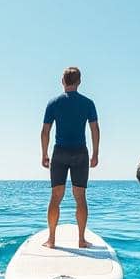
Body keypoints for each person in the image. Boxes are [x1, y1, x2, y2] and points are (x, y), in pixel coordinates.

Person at [40, 66, 99, 248]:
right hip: (81, 152)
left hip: (60, 153)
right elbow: (95, 129)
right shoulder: (88, 103)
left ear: (62, 81)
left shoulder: (54, 103)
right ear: (79, 81)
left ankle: (51, 240)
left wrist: (44, 153)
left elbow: (45, 131)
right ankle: (81, 240)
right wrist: (95, 153)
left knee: (56, 196)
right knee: (80, 197)